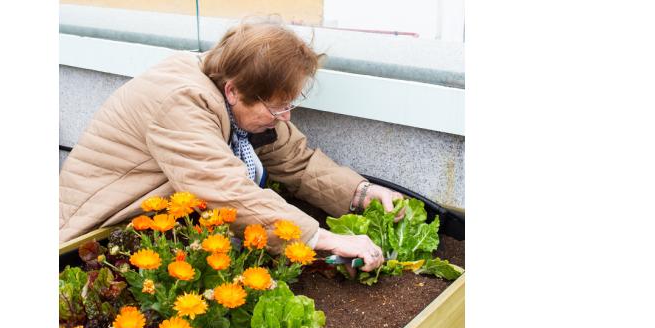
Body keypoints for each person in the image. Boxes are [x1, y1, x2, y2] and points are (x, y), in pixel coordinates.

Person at [59, 16, 403, 272]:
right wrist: (324, 239)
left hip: (150, 232)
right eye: (276, 107)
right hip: (86, 242)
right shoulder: (180, 100)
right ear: (234, 90)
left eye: (289, 105)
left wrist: (361, 192)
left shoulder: (236, 94)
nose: (284, 117)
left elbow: (294, 158)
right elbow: (224, 190)